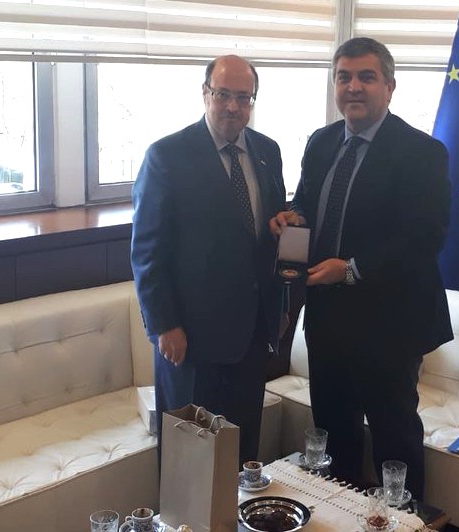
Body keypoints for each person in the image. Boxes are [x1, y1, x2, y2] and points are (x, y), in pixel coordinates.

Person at [270, 37, 453, 500]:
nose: (353, 87)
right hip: (327, 319)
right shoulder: (321, 141)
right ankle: (341, 516)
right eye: (344, 77)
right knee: (333, 435)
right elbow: (307, 202)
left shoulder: (423, 152)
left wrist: (350, 269)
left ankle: (406, 524)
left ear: (389, 86)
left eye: (366, 77)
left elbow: (424, 238)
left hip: (390, 325)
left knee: (395, 439)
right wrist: (293, 218)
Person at [131, 55, 287, 466]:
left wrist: (279, 304)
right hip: (191, 342)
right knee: (191, 461)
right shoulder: (167, 156)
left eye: (243, 97)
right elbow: (147, 251)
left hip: (252, 337)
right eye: (223, 95)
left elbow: (267, 234)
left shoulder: (267, 151)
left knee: (242, 455)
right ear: (205, 94)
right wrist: (164, 324)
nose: (233, 107)